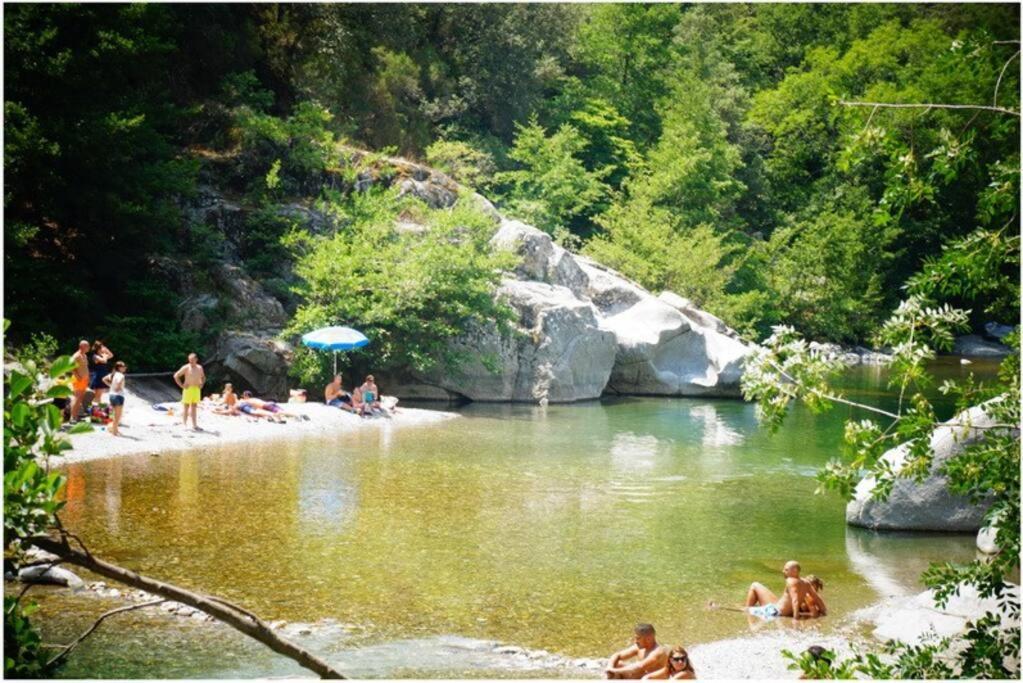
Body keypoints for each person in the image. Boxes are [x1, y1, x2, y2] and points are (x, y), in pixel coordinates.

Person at [743, 561, 826, 620]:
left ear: (794, 571)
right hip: (776, 609)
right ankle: (748, 610)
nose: (783, 571)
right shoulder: (806, 585)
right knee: (754, 588)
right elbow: (819, 601)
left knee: (746, 609)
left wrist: (796, 618)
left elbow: (795, 600)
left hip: (775, 611)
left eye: (786, 570)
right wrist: (824, 612)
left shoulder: (791, 582)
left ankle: (747, 614)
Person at [173, 353, 206, 430]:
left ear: (196, 360)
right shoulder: (186, 367)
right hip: (188, 389)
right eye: (189, 360)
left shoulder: (200, 367)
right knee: (186, 406)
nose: (190, 361)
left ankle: (194, 425)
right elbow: (176, 376)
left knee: (194, 407)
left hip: (196, 389)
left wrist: (202, 384)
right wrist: (181, 385)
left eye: (192, 360)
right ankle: (184, 424)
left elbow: (203, 377)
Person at [102, 361, 127, 436]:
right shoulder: (121, 375)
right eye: (123, 366)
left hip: (111, 395)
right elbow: (119, 382)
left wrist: (111, 386)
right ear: (119, 368)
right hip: (118, 396)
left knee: (114, 414)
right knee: (118, 416)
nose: (125, 368)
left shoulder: (113, 374)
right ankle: (114, 432)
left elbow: (104, 379)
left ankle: (114, 429)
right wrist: (117, 387)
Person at [70, 340, 91, 422]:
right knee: (76, 398)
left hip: (84, 380)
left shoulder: (84, 355)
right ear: (82, 346)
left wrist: (87, 378)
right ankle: (72, 417)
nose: (89, 347)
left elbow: (85, 368)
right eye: (87, 346)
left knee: (80, 398)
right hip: (78, 380)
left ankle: (75, 416)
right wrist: (77, 376)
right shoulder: (76, 355)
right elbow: (70, 366)